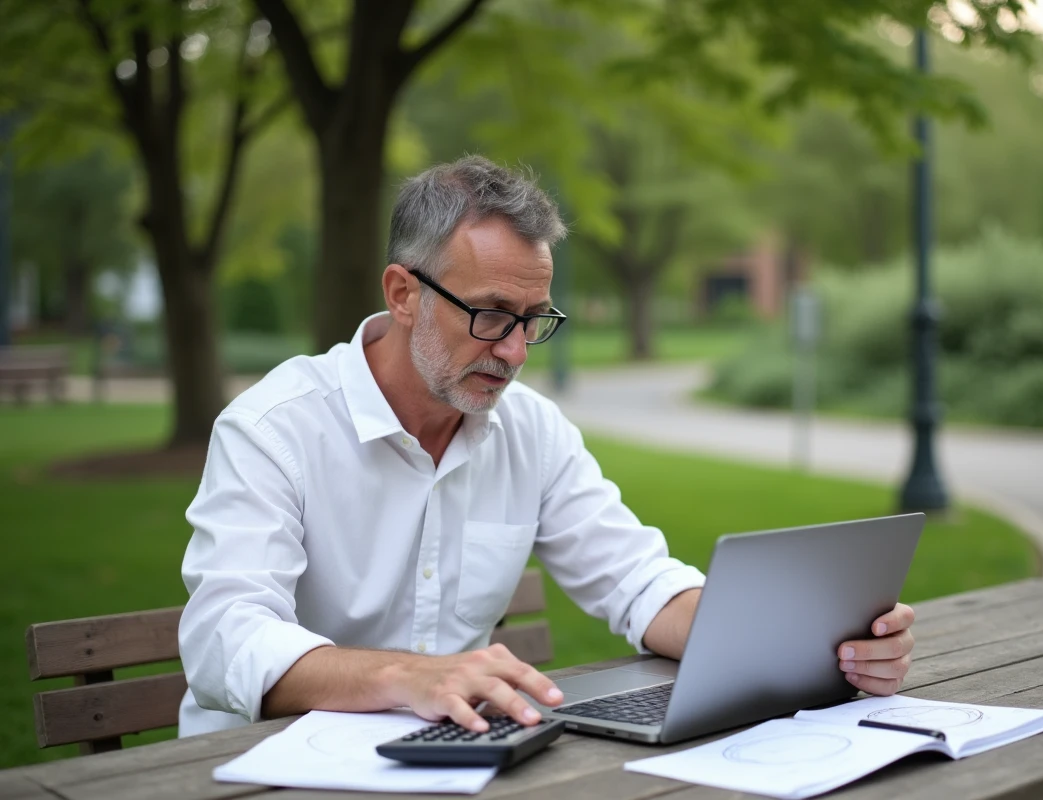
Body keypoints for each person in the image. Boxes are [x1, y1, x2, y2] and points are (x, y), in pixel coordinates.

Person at [177, 155, 915, 737]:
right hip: (265, 768)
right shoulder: (275, 428)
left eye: (535, 319)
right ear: (404, 294)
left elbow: (637, 581)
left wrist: (818, 644)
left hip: (446, 757)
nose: (518, 352)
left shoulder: (530, 430)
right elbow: (224, 637)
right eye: (494, 315)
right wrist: (406, 676)